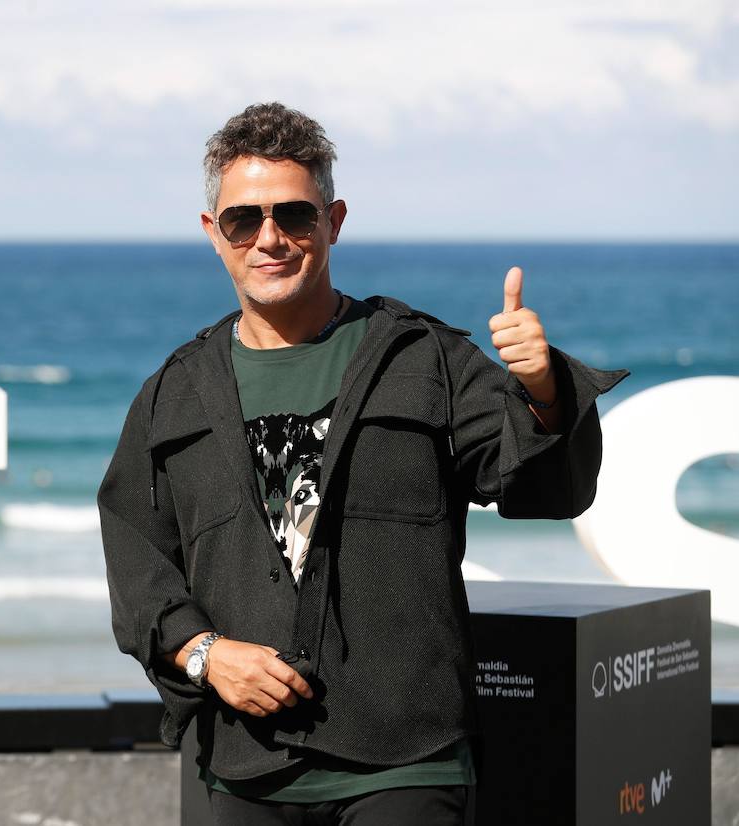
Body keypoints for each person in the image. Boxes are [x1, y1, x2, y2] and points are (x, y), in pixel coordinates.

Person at [96, 102, 630, 825]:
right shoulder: (175, 391)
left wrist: (544, 390)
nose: (270, 238)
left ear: (334, 220)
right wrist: (205, 654)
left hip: (407, 760)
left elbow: (541, 485)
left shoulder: (425, 358)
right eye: (243, 220)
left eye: (295, 215)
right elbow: (136, 558)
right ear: (212, 234)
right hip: (243, 770)